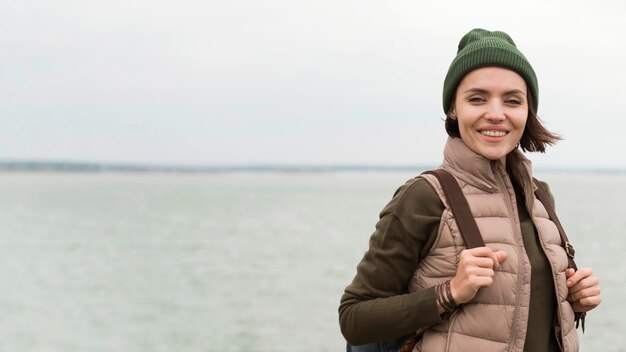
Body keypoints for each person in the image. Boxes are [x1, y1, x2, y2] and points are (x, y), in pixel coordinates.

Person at [338, 28, 601, 352]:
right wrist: (449, 292)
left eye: (512, 100)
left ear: (527, 110)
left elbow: (519, 314)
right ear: (453, 109)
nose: (496, 113)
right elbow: (354, 318)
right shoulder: (424, 196)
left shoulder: (539, 196)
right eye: (477, 98)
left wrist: (574, 300)